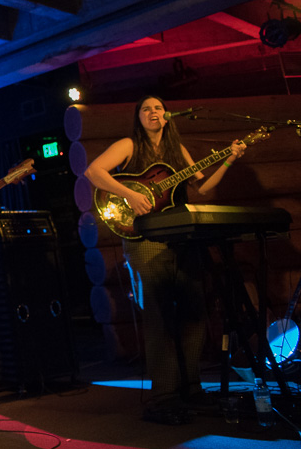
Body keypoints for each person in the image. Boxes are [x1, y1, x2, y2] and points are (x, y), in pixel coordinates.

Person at [84, 95, 245, 425]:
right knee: (158, 316)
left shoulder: (178, 151)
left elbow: (201, 190)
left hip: (181, 239)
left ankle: (192, 387)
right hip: (143, 239)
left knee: (194, 311)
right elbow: (93, 171)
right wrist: (130, 194)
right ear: (139, 117)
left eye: (158, 108)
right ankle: (164, 396)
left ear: (167, 115)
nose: (153, 112)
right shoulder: (129, 144)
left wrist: (228, 159)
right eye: (146, 109)